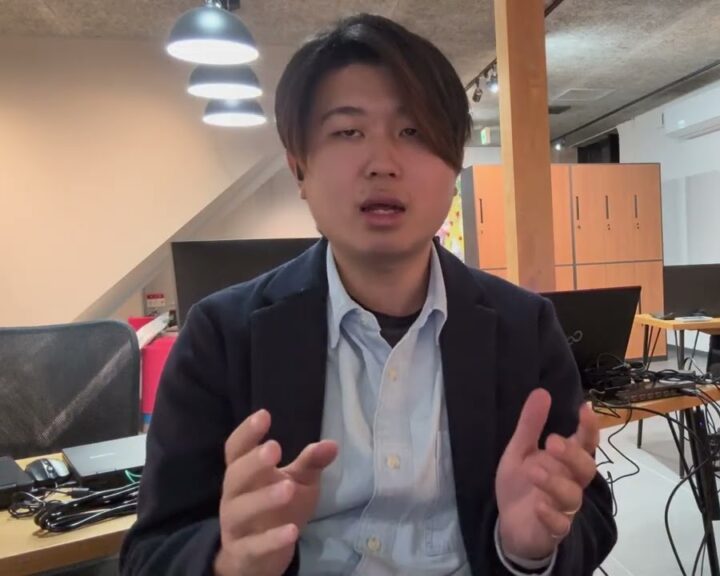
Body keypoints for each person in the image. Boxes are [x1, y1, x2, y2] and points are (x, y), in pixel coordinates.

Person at [120, 13, 616, 576]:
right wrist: (229, 563)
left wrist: (527, 549)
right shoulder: (221, 336)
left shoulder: (525, 327)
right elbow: (151, 551)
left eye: (414, 132)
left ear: (454, 167)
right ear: (299, 168)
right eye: (348, 132)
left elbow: (590, 510)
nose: (383, 164)